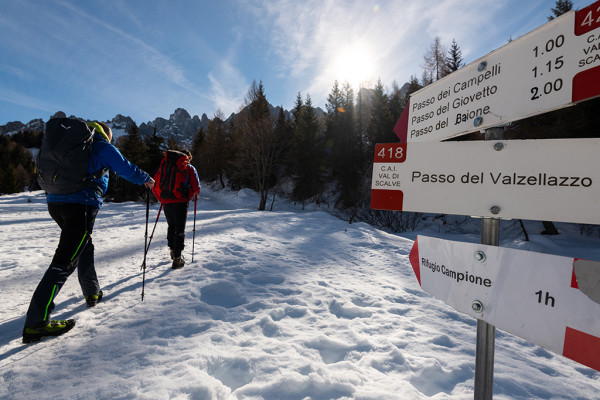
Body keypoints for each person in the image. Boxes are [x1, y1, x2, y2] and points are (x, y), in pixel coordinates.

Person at [22, 121, 155, 343]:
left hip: (55, 204)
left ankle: (92, 292)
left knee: (84, 246)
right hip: (80, 206)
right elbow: (125, 167)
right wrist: (146, 179)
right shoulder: (100, 145)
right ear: (107, 134)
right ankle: (36, 323)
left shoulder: (73, 144)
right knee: (63, 262)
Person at [152, 149, 200, 269]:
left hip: (166, 202)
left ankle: (173, 250)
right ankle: (177, 258)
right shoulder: (189, 168)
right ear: (187, 157)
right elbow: (197, 189)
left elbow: (154, 184)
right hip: (181, 203)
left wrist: (161, 198)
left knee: (171, 226)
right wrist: (188, 194)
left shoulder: (165, 165)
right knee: (179, 229)